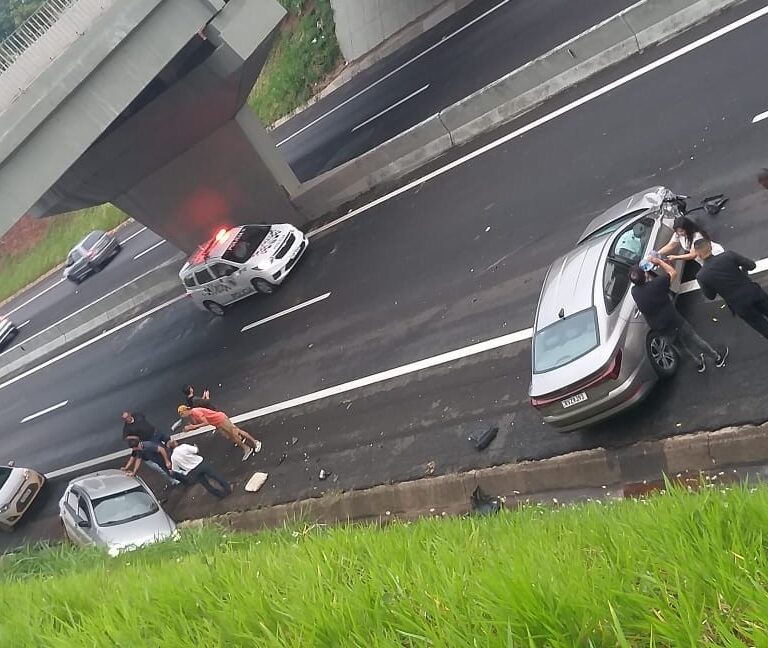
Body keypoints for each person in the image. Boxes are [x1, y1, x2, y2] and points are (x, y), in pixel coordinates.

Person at [630, 255, 727, 372]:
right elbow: (672, 273)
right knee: (693, 338)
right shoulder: (657, 284)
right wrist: (659, 262)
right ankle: (716, 357)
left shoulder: (634, 292)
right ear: (645, 274)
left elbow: (646, 285)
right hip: (673, 319)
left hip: (660, 327)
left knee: (679, 347)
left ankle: (698, 364)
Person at [695, 239, 768, 339]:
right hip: (753, 292)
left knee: (762, 326)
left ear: (698, 255)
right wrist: (743, 271)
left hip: (739, 304)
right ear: (711, 248)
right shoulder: (728, 255)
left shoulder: (701, 275)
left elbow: (710, 296)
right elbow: (751, 265)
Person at [177, 404, 261, 461]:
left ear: (185, 411)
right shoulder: (192, 415)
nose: (182, 416)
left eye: (182, 414)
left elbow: (206, 422)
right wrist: (190, 428)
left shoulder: (196, 412)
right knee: (231, 437)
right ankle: (246, 447)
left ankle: (253, 444)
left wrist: (193, 427)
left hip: (220, 419)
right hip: (217, 423)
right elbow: (198, 424)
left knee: (236, 433)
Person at [657, 216, 724, 266]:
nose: (679, 233)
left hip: (713, 254)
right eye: (677, 231)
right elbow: (671, 245)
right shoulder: (678, 234)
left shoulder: (697, 236)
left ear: (687, 228)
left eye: (681, 231)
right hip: (702, 258)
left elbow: (693, 254)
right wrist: (657, 253)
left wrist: (675, 257)